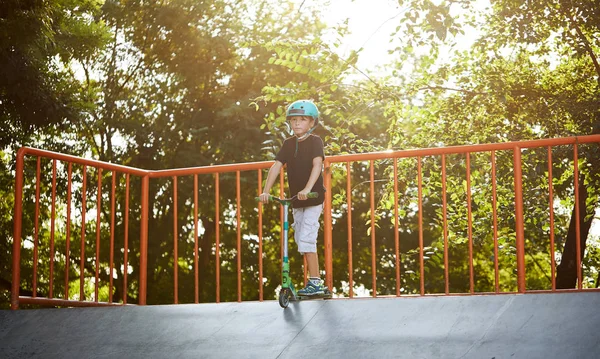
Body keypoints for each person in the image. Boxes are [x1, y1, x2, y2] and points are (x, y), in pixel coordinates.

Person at [258, 99, 327, 296]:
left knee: (307, 239)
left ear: (311, 123)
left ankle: (316, 283)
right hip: (297, 201)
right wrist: (266, 190)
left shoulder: (315, 142)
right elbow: (276, 166)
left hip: (313, 199)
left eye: (302, 120)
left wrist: (307, 189)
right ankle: (312, 282)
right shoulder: (288, 144)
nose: (297, 123)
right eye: (294, 120)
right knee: (299, 240)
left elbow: (317, 166)